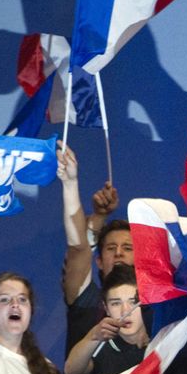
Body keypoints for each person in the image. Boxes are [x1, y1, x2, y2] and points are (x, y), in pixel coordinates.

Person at [57, 144, 130, 354]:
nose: (118, 253)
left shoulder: (151, 309)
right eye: (110, 248)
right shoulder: (86, 300)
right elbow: (79, 248)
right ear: (98, 260)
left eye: (127, 248)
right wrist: (70, 183)